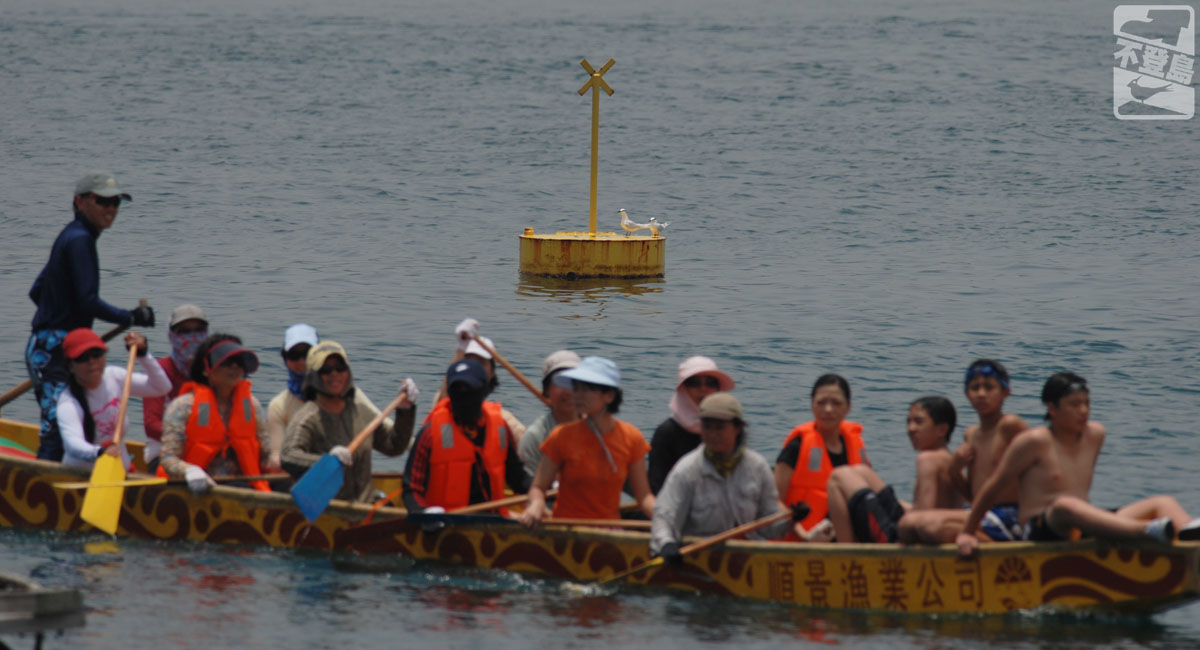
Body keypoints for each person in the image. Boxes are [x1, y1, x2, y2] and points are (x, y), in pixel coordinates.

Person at [956, 372, 1200, 556]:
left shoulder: (1095, 435)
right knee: (1064, 504)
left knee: (1162, 502)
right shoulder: (1033, 441)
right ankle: (1146, 531)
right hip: (1042, 528)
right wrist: (967, 532)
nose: (1083, 411)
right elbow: (993, 485)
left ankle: (1188, 535)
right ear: (1052, 408)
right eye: (1074, 405)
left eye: (1086, 403)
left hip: (1082, 524)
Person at [26, 172, 155, 461]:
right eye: (102, 201)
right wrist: (131, 317)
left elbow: (37, 291)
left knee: (78, 421)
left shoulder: (70, 236)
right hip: (54, 351)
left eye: (116, 202)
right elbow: (87, 300)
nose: (111, 209)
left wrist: (60, 317)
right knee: (57, 428)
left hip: (56, 346)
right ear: (80, 202)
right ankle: (43, 481)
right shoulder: (80, 240)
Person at [651, 393, 801, 563]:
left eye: (719, 427)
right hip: (702, 559)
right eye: (707, 427)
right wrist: (666, 544)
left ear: (737, 428)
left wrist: (790, 520)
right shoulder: (687, 470)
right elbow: (664, 517)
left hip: (751, 560)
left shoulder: (757, 467)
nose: (712, 434)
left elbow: (769, 528)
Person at [897, 359, 1029, 544]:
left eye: (989, 387)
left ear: (1005, 392)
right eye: (975, 388)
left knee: (927, 525)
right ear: (967, 393)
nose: (981, 394)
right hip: (980, 512)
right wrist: (955, 468)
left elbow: (1039, 466)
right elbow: (973, 495)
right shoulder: (971, 435)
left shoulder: (1010, 426)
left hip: (1008, 515)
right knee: (907, 525)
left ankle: (991, 546)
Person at [519, 356, 655, 527]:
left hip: (609, 530)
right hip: (565, 530)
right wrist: (536, 504)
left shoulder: (632, 438)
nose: (577, 395)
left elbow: (644, 497)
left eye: (586, 389)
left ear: (609, 396)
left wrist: (667, 518)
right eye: (576, 388)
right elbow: (538, 487)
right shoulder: (560, 436)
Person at [282, 341, 417, 502]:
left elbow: (394, 446)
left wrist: (405, 410)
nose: (334, 374)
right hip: (330, 508)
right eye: (326, 369)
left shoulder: (361, 412)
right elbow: (288, 456)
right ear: (314, 377)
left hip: (368, 504)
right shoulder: (307, 418)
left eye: (340, 368)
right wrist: (325, 461)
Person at [825, 396, 960, 543]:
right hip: (916, 526)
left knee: (838, 476)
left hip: (905, 539)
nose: (911, 429)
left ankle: (846, 550)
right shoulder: (948, 459)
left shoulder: (927, 459)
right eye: (908, 422)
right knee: (861, 471)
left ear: (942, 430)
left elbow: (922, 519)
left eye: (919, 422)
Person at [403, 359, 529, 512]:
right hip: (444, 520)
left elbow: (518, 479)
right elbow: (411, 488)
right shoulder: (430, 433)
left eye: (470, 390)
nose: (464, 397)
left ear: (483, 391)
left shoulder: (500, 429)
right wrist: (424, 514)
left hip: (493, 520)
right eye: (457, 391)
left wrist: (542, 490)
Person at [158, 334, 275, 493]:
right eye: (227, 362)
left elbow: (266, 454)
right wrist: (190, 471)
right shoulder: (183, 406)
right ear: (206, 370)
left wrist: (279, 461)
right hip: (196, 488)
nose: (234, 367)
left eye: (239, 362)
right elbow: (168, 458)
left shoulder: (252, 406)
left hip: (242, 487)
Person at [56, 328, 171, 470]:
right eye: (83, 358)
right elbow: (73, 444)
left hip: (121, 472)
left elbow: (162, 387)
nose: (92, 361)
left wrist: (143, 355)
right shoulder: (68, 403)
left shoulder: (114, 377)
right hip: (81, 476)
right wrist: (100, 452)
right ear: (70, 367)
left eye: (96, 354)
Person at [774, 374, 869, 536]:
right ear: (812, 405)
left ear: (848, 407)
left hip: (845, 538)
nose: (828, 409)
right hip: (802, 539)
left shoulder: (856, 446)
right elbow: (774, 500)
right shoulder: (797, 446)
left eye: (836, 403)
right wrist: (803, 535)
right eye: (821, 403)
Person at [647, 356, 735, 494]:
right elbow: (659, 490)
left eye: (710, 383)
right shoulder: (667, 433)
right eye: (694, 383)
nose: (703, 389)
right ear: (683, 389)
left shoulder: (729, 430)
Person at [430, 318, 525, 441]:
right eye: (469, 361)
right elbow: (444, 401)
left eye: (480, 363)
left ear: (492, 371)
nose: (473, 368)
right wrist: (461, 348)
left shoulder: (504, 421)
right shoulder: (446, 404)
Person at [143, 304, 210, 471]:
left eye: (199, 330)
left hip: (208, 453)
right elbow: (152, 425)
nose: (193, 337)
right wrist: (187, 437)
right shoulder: (159, 371)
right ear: (172, 336)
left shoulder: (213, 372)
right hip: (164, 454)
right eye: (185, 331)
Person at [517, 350, 581, 478]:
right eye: (560, 381)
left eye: (574, 381)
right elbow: (529, 486)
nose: (568, 391)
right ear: (546, 390)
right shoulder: (535, 437)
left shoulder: (600, 431)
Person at [267, 323, 319, 471]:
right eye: (294, 356)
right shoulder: (278, 406)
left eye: (307, 354)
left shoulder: (341, 396)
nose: (301, 361)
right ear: (285, 359)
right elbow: (277, 457)